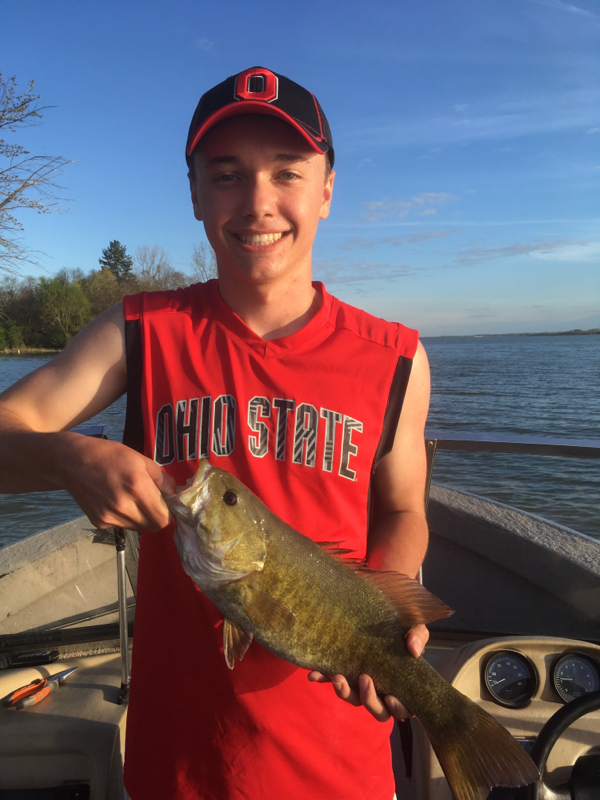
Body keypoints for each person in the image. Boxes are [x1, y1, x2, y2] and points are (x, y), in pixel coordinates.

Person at [0, 67, 430, 800]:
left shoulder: (397, 358)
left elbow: (402, 508)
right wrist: (68, 456)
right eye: (227, 176)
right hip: (180, 766)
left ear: (327, 190)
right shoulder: (139, 332)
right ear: (196, 195)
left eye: (287, 172)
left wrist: (387, 613)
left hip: (343, 764)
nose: (258, 203)